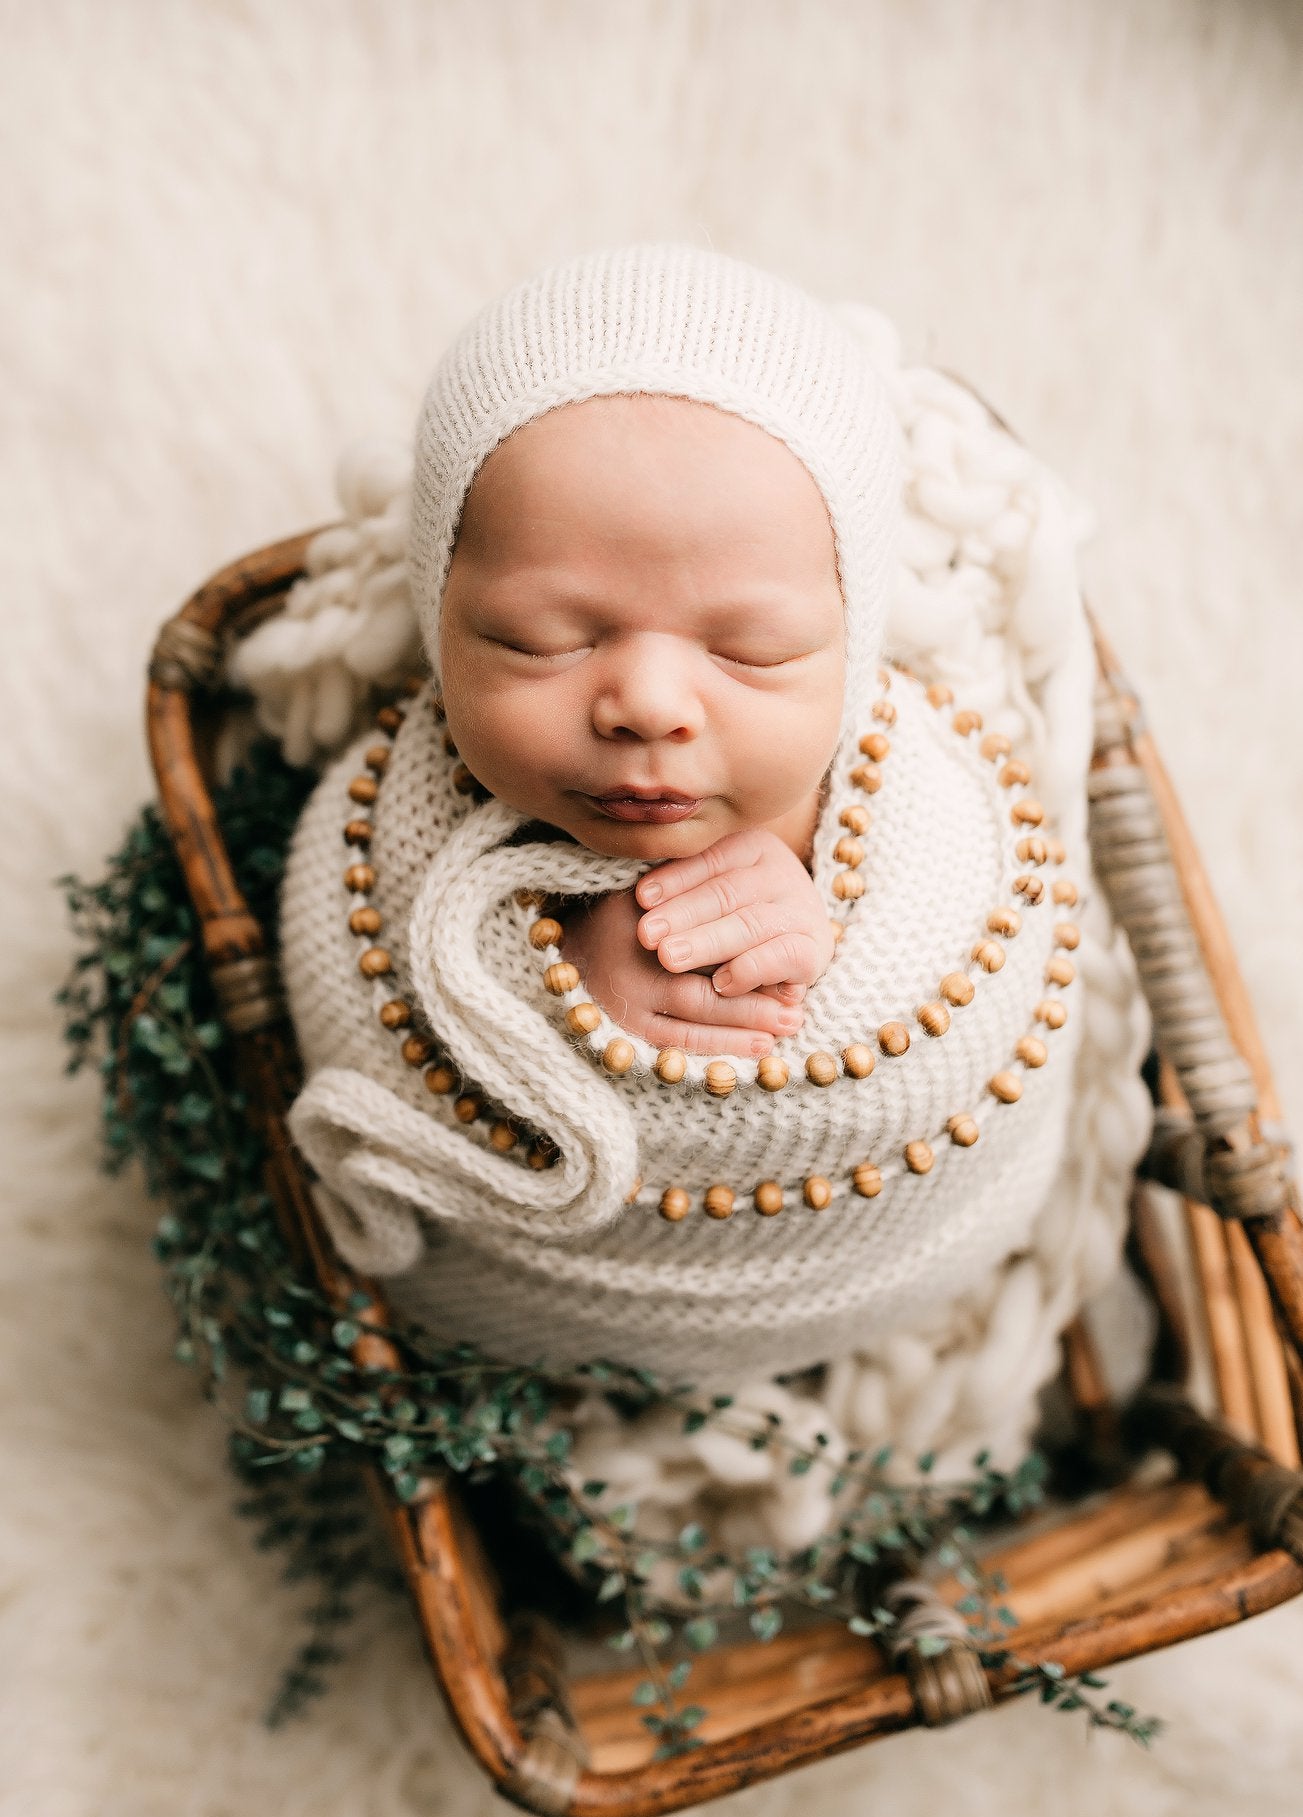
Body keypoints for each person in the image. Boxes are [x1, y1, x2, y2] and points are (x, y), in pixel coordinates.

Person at [235, 241, 1153, 1556]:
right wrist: (565, 1018)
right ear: (437, 611)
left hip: (888, 1256)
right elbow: (362, 1001)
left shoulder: (939, 802)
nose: (650, 703)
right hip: (539, 1302)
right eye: (541, 638)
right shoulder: (393, 817)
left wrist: (833, 959)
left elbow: (986, 969)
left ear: (856, 634)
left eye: (754, 648)